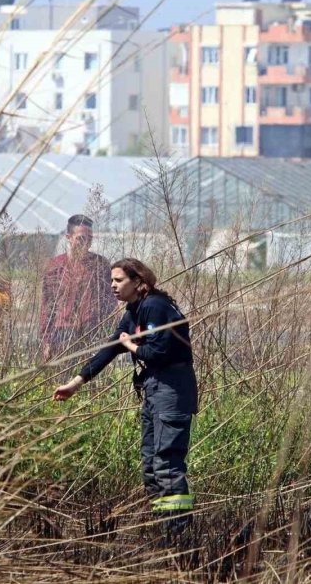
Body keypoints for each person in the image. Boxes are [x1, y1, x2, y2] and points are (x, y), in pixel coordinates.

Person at [53, 258, 197, 533]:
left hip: (172, 390)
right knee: (151, 466)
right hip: (153, 389)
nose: (112, 286)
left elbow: (157, 352)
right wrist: (77, 382)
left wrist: (129, 343)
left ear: (138, 281)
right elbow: (111, 346)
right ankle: (164, 528)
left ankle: (179, 534)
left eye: (118, 280)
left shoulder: (155, 306)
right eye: (111, 280)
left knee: (167, 463)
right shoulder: (136, 309)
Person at [40, 215, 117, 359]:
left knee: (93, 378)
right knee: (62, 378)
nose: (86, 243)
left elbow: (110, 301)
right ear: (69, 237)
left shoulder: (100, 264)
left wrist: (109, 332)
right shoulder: (55, 266)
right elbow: (47, 307)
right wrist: (46, 342)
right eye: (81, 238)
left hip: (93, 331)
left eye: (90, 238)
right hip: (62, 332)